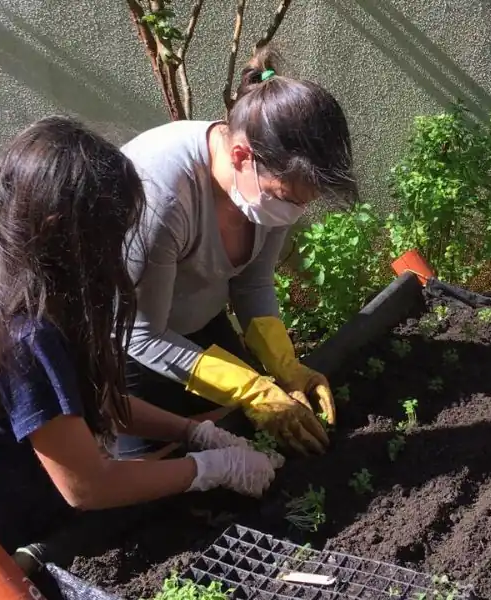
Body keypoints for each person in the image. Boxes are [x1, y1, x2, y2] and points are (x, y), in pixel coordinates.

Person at [0, 117, 283, 555]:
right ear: (63, 231)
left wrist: (193, 432)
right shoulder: (25, 332)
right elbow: (86, 485)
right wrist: (209, 469)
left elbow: (89, 397)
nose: (119, 247)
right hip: (16, 523)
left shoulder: (33, 271)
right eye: (111, 234)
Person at [120, 48, 354, 457]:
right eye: (289, 198)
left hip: (198, 318)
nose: (293, 213)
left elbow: (252, 283)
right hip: (125, 344)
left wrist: (286, 368)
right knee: (153, 466)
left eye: (303, 203)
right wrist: (250, 389)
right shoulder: (161, 198)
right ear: (241, 157)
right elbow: (144, 334)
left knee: (236, 434)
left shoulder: (269, 184)